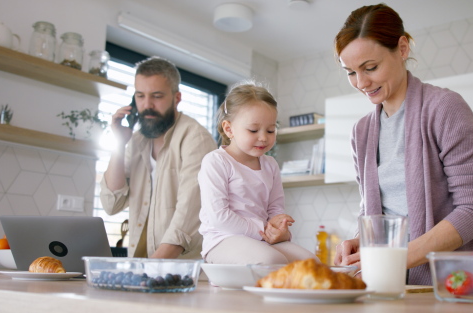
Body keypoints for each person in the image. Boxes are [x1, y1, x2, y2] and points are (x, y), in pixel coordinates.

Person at [333, 4, 473, 285]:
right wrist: (361, 240)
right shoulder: (361, 131)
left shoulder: (445, 108)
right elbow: (375, 211)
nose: (361, 82)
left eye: (370, 67)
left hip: (452, 285)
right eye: (350, 72)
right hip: (386, 284)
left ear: (403, 48)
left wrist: (397, 257)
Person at [100, 56, 216, 259]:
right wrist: (119, 143)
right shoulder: (136, 141)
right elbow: (112, 204)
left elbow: (189, 213)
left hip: (181, 271)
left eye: (157, 96)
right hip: (143, 264)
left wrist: (150, 270)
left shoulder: (195, 138)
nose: (147, 105)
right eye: (140, 96)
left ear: (176, 98)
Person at [198, 82, 316, 264]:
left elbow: (275, 209)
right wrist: (264, 229)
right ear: (229, 129)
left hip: (261, 238)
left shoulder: (270, 164)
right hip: (222, 240)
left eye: (271, 130)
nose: (264, 137)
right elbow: (219, 218)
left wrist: (280, 229)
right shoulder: (216, 161)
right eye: (253, 130)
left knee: (311, 263)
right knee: (271, 261)